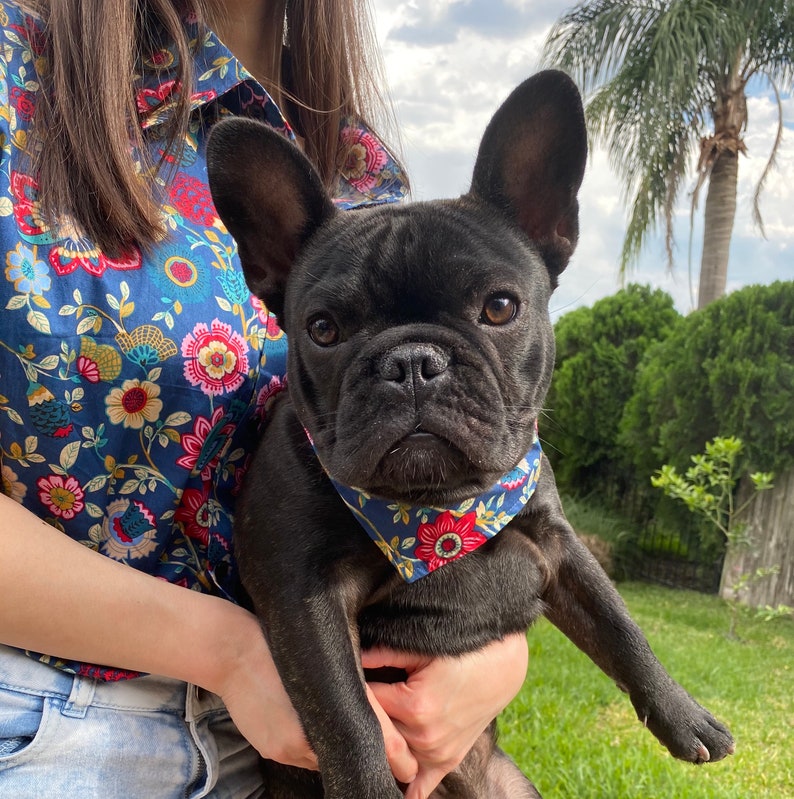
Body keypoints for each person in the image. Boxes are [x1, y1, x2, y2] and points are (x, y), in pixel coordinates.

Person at [0, 1, 530, 797]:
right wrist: (232, 651)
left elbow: (453, 469)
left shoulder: (359, 166)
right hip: (51, 731)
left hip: (316, 751)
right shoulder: (19, 77)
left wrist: (491, 657)